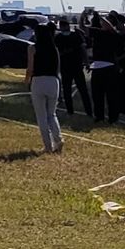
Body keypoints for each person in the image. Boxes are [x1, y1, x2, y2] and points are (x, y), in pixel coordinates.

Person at [27, 18, 63, 154]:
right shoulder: (54, 49)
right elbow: (58, 68)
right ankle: (58, 139)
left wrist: (26, 80)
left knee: (41, 116)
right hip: (53, 81)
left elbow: (30, 68)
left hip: (38, 81)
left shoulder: (32, 48)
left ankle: (48, 146)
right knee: (52, 114)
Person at [89, 11, 125, 124]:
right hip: (97, 67)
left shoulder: (114, 34)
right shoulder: (97, 32)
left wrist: (101, 17)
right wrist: (83, 16)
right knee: (97, 94)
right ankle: (99, 116)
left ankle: (113, 117)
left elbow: (110, 27)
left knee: (111, 95)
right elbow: (83, 28)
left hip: (110, 67)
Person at [56, 18, 90, 117]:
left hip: (71, 66)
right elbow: (83, 50)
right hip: (73, 66)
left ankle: (74, 111)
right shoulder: (75, 36)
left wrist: (86, 62)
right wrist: (86, 62)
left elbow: (82, 49)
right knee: (75, 90)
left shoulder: (64, 37)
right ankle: (83, 111)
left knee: (72, 89)